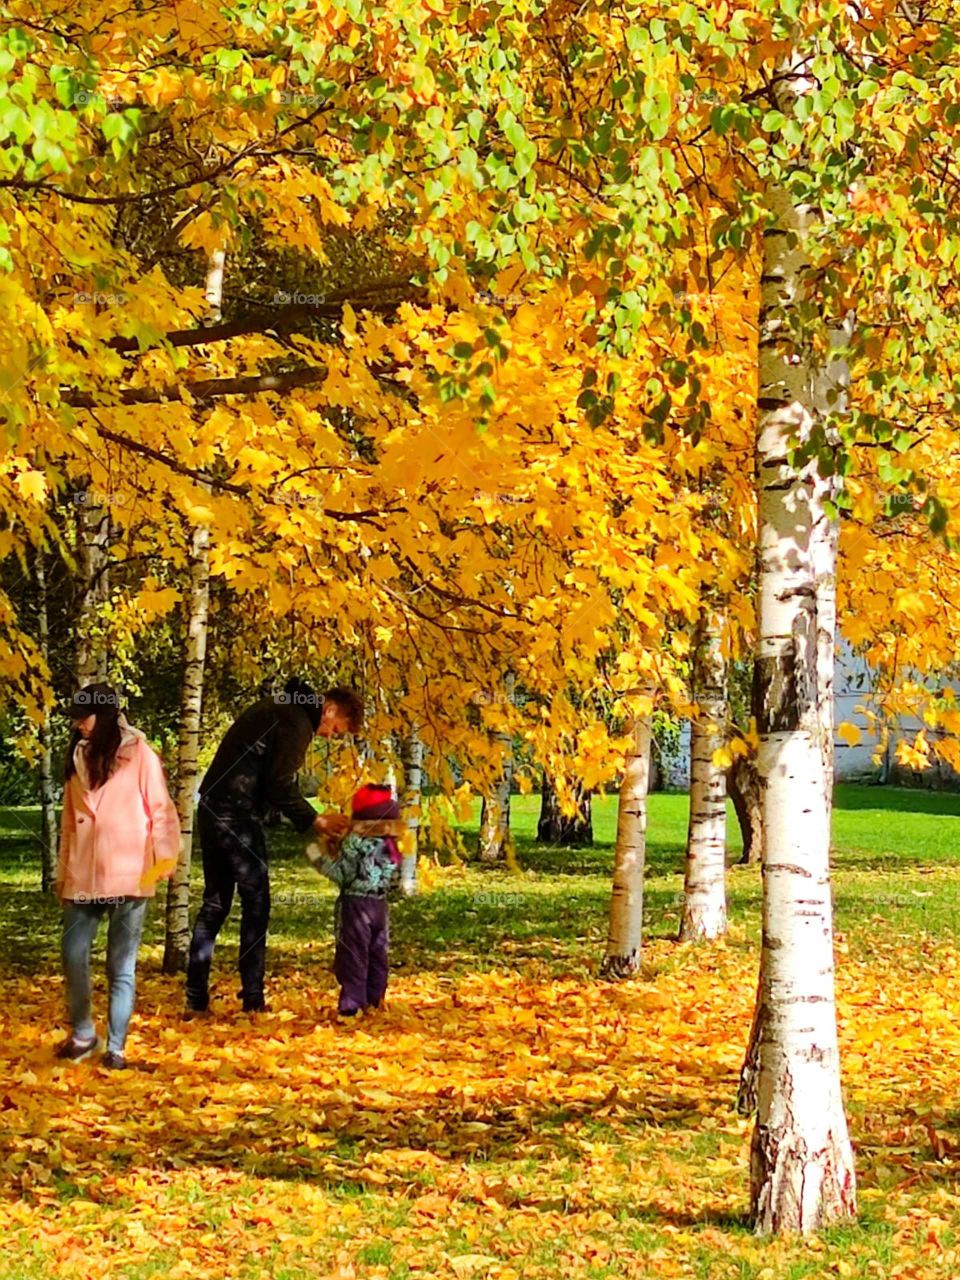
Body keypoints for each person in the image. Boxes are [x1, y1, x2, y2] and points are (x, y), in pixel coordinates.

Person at [184, 679, 362, 1015]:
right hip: (234, 812)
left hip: (212, 806)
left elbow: (265, 776)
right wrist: (316, 820)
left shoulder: (280, 707)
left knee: (216, 903)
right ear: (330, 710)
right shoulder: (296, 722)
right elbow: (278, 783)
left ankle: (195, 998)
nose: (329, 737)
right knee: (256, 902)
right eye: (336, 730)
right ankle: (252, 1000)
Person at [55, 683, 180, 1068]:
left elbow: (161, 810)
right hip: (84, 874)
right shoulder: (76, 755)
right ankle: (83, 1034)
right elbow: (69, 823)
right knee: (72, 952)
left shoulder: (139, 753)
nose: (78, 725)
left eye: (84, 716)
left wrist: (161, 867)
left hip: (130, 874)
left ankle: (117, 1048)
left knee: (119, 964)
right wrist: (63, 873)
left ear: (104, 716)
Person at [305, 783, 402, 1017]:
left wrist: (317, 857)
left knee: (354, 954)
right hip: (380, 906)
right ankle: (374, 999)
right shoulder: (391, 845)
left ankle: (351, 1005)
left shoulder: (355, 842)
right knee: (378, 952)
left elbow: (342, 874)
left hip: (357, 906)